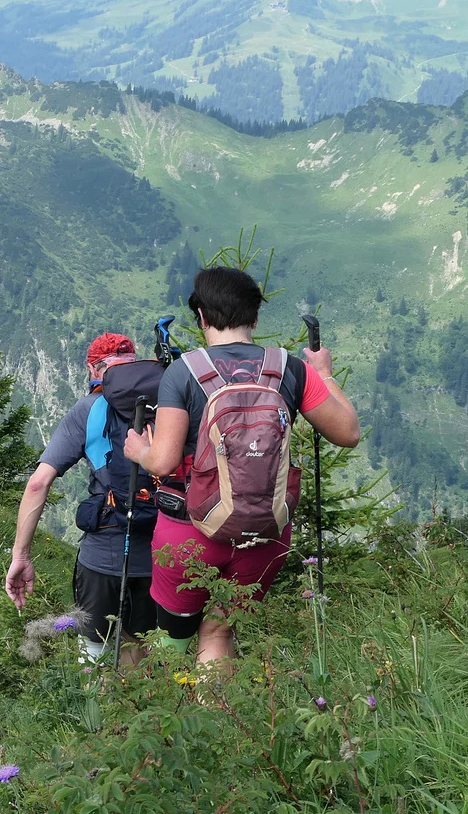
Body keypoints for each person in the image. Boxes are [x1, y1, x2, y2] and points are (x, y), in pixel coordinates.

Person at [123, 266, 360, 664]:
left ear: (200, 316)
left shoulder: (184, 372)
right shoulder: (291, 370)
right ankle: (220, 719)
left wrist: (138, 451)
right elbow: (348, 432)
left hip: (188, 533)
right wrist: (324, 375)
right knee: (218, 632)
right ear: (255, 316)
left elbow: (163, 460)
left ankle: (169, 713)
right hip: (264, 535)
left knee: (172, 642)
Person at [5, 333, 163, 666]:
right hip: (161, 555)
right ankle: (145, 712)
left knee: (96, 653)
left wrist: (21, 554)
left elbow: (38, 484)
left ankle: (98, 715)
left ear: (94, 369)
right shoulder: (169, 404)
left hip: (102, 557)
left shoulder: (90, 408)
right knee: (146, 654)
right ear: (136, 363)